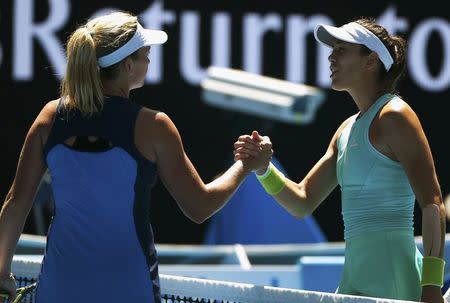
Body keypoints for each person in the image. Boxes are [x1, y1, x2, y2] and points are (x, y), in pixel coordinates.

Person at [0, 11, 267, 303]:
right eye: (144, 54)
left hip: (59, 289)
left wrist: (1, 275)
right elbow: (199, 206)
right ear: (128, 66)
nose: (149, 60)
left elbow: (16, 203)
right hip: (129, 289)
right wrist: (245, 166)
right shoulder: (154, 127)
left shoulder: (50, 117)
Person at [234, 17, 446, 303]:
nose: (331, 57)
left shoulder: (396, 115)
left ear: (370, 60)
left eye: (341, 50)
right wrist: (263, 168)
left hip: (395, 281)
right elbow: (302, 200)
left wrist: (431, 287)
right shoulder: (345, 130)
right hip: (353, 282)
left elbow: (432, 201)